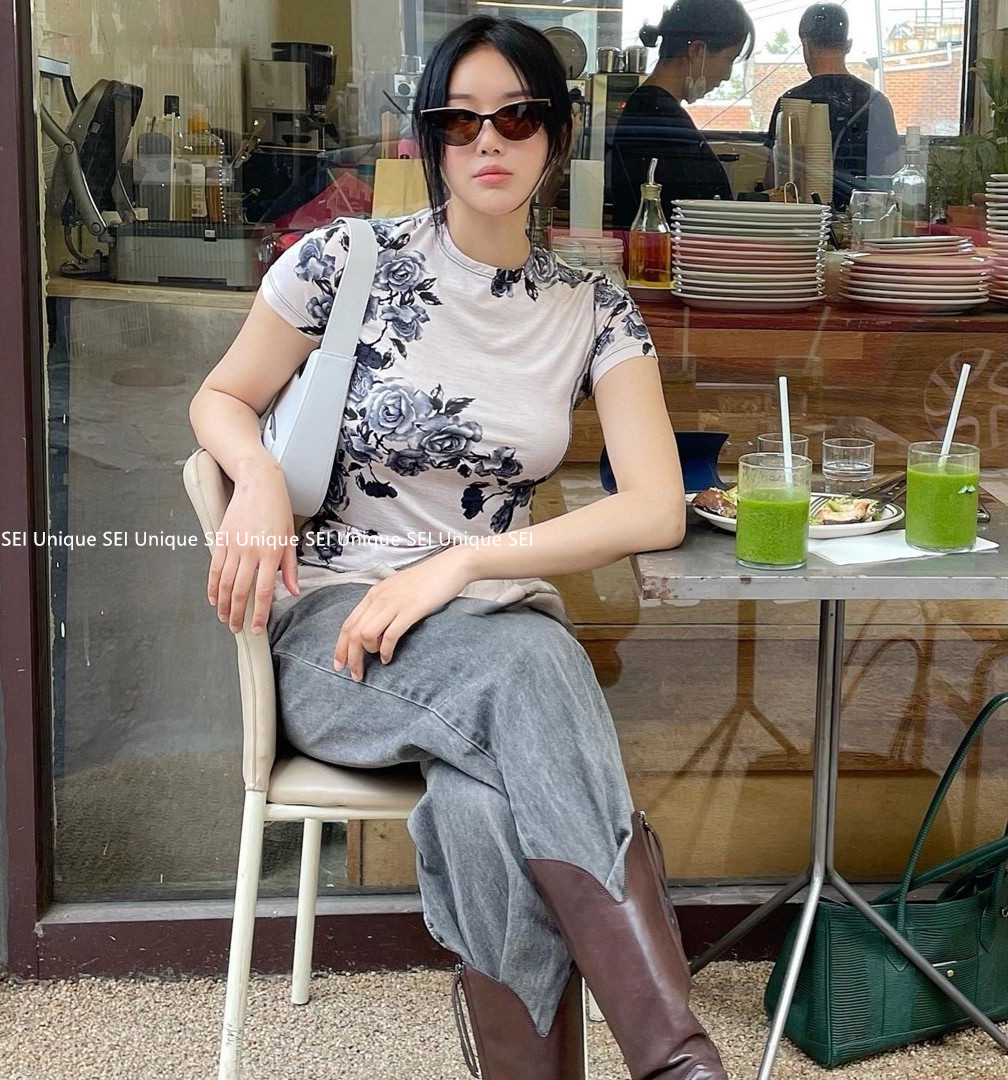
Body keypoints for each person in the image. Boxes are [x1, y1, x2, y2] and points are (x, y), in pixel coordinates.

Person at [189, 14, 730, 1080]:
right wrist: (252, 474)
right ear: (429, 139)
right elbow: (221, 396)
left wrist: (464, 564)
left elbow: (656, 507)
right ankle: (677, 1062)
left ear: (555, 137)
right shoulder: (344, 259)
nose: (489, 140)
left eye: (517, 117)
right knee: (535, 668)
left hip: (488, 627)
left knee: (486, 800)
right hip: (337, 634)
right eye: (460, 119)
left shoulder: (593, 308)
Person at [612, 0, 756, 228]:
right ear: (697, 50)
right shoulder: (657, 118)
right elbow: (688, 211)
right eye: (729, 59)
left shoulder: (654, 110)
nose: (727, 75)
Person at [764, 3, 901, 209]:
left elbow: (773, 180)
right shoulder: (876, 102)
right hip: (862, 214)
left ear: (806, 45)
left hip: (802, 216)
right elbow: (892, 174)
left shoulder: (790, 102)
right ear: (848, 45)